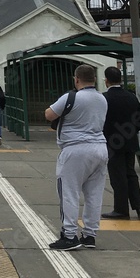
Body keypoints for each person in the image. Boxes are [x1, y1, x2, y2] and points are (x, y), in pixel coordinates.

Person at [45, 64, 108, 251]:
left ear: (76, 79)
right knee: (94, 194)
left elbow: (49, 115)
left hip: (76, 149)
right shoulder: (102, 99)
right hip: (100, 148)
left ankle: (69, 235)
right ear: (94, 79)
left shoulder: (71, 97)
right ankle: (89, 235)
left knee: (69, 192)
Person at [101, 66, 140, 220]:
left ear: (106, 80)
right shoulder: (131, 96)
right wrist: (132, 131)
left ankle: (121, 209)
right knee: (131, 174)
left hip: (112, 143)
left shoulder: (105, 98)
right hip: (130, 141)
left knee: (117, 176)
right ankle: (139, 206)